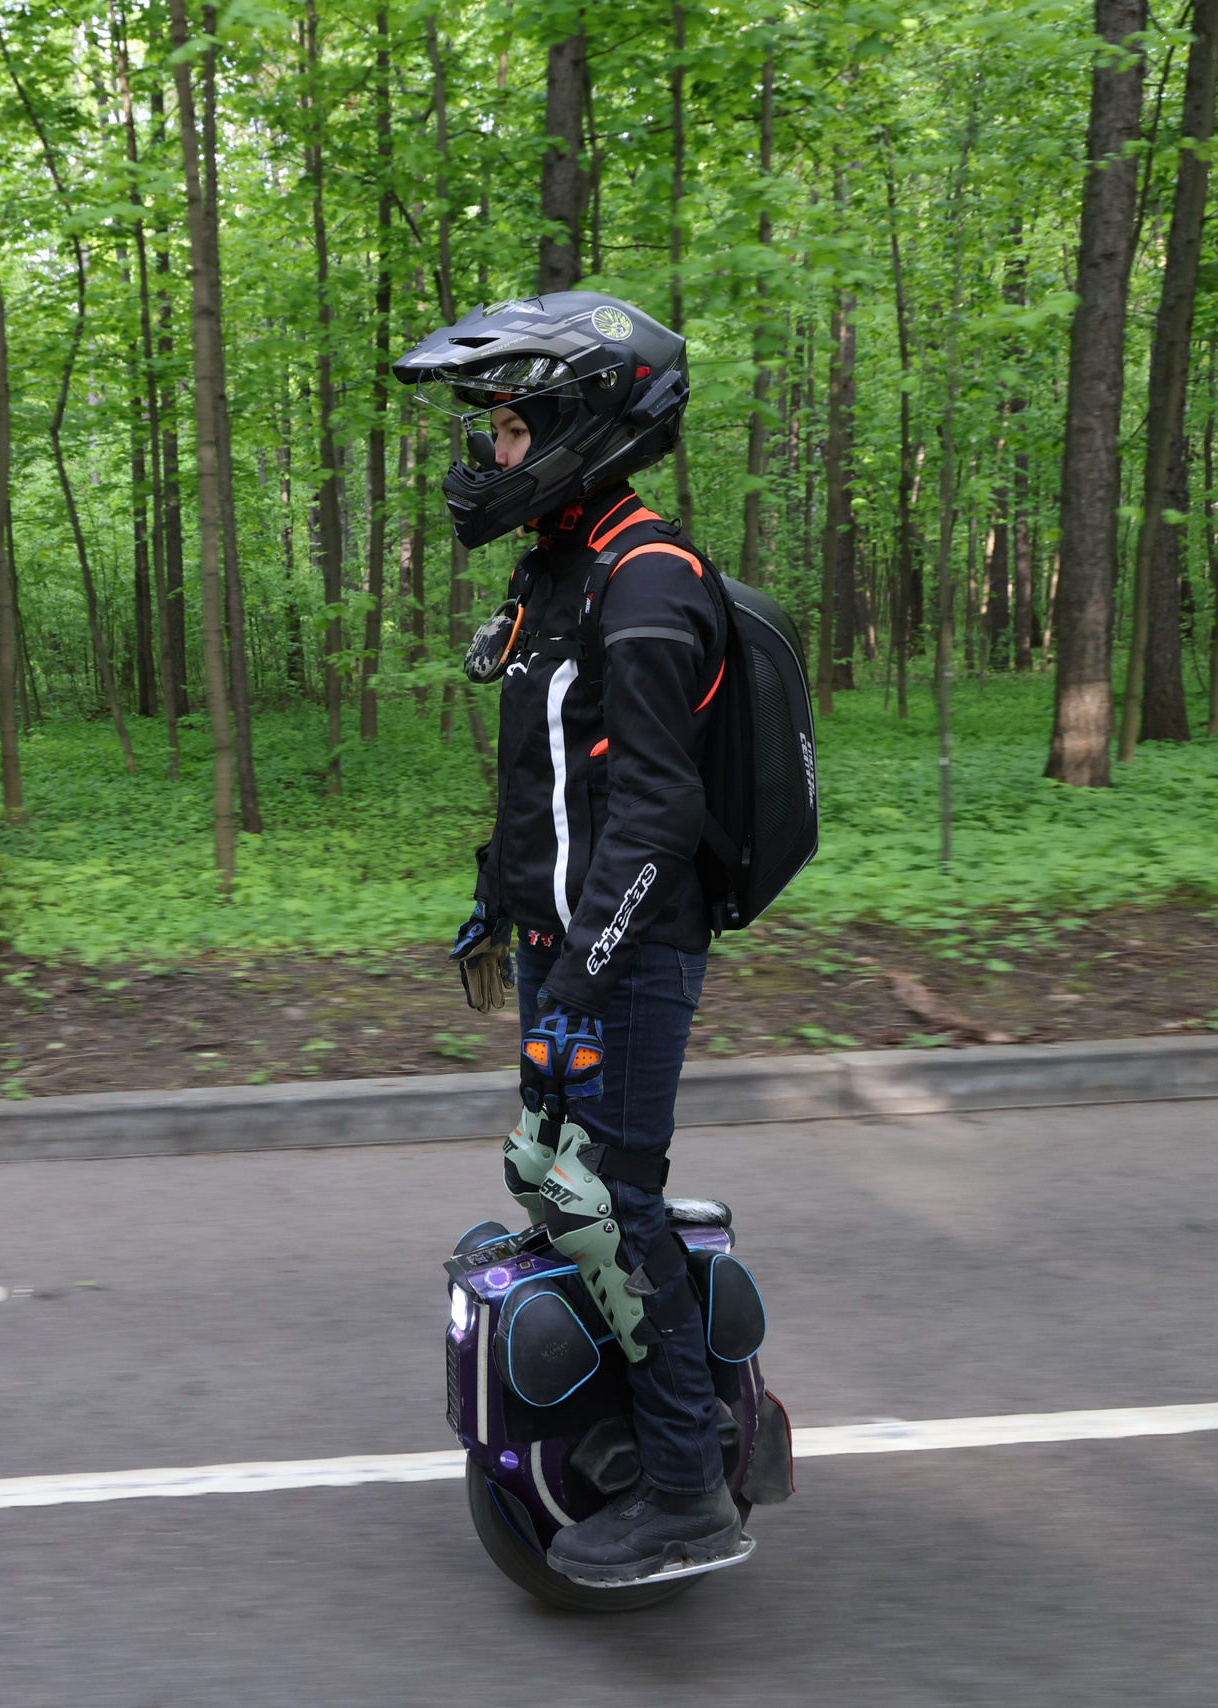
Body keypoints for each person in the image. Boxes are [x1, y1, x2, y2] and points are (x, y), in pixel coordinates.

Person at [397, 292, 741, 1581]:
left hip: (634, 951)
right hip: (564, 941)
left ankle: (687, 1483)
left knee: (608, 1194)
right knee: (542, 1172)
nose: (483, 453)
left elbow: (656, 813)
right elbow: (549, 784)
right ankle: (604, 1416)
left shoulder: (650, 585)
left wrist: (588, 965)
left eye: (503, 425)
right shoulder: (557, 573)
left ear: (581, 429)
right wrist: (506, 908)